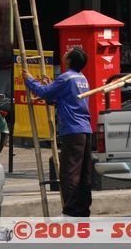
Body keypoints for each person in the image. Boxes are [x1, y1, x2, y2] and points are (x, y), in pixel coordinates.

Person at [22, 46, 92, 218]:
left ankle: (70, 211)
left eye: (68, 52)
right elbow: (58, 99)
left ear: (70, 60)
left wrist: (30, 80)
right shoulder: (82, 78)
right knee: (83, 174)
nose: (65, 52)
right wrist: (48, 89)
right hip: (84, 129)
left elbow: (45, 93)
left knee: (69, 173)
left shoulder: (66, 78)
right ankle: (82, 211)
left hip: (72, 130)